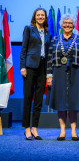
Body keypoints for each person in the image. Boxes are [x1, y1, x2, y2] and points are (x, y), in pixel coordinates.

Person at [45, 14, 79, 141]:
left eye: (70, 23)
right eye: (65, 22)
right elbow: (49, 59)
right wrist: (49, 75)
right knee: (61, 103)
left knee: (74, 103)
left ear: (74, 25)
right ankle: (62, 132)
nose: (67, 25)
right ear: (61, 25)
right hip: (58, 72)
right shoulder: (54, 40)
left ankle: (74, 132)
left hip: (76, 72)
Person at [20, 7, 52, 140]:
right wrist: (22, 66)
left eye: (42, 15)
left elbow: (49, 53)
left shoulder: (48, 32)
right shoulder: (29, 29)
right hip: (30, 67)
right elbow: (24, 49)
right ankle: (27, 129)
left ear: (45, 18)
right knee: (28, 98)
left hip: (42, 69)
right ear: (35, 17)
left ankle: (35, 129)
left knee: (39, 100)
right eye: (38, 15)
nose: (40, 17)